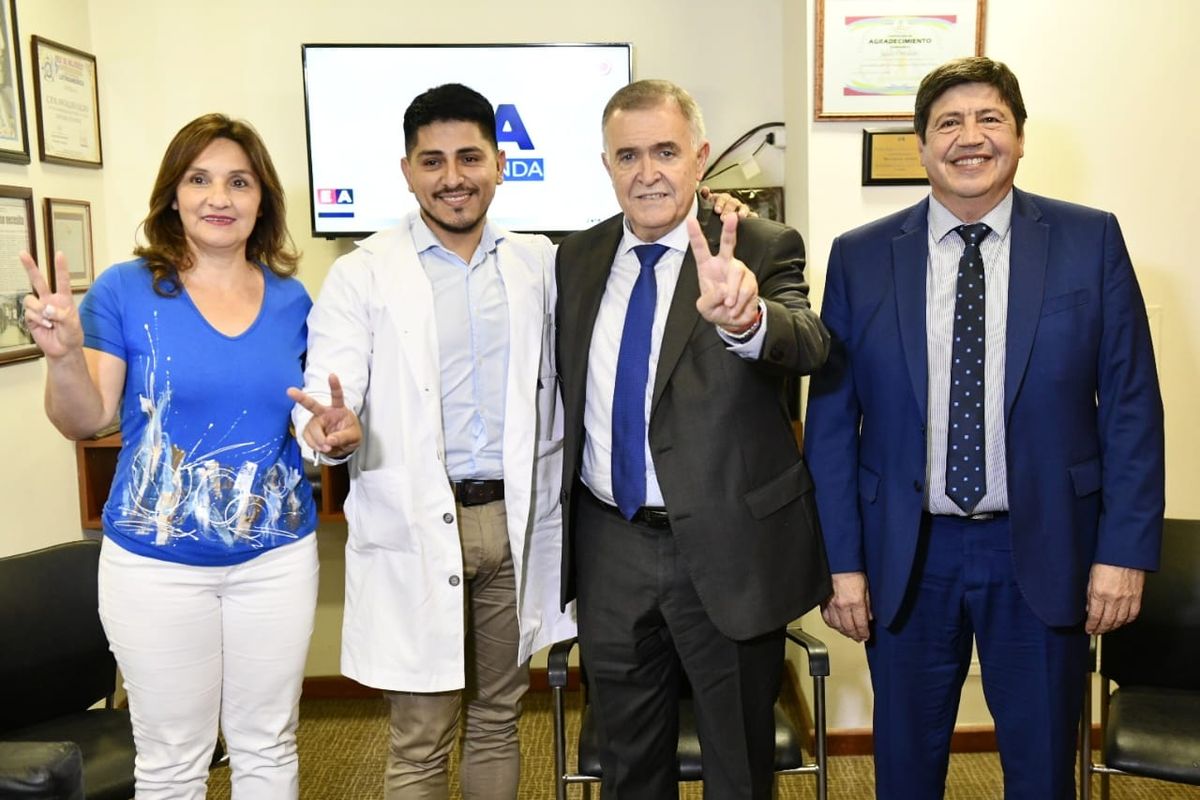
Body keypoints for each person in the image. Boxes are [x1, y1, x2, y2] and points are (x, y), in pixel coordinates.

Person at [803, 56, 1164, 799]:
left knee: (1041, 774)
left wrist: (1123, 552)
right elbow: (832, 425)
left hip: (1046, 547)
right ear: (922, 146)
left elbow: (1131, 406)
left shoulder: (1089, 240)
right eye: (948, 123)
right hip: (907, 554)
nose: (970, 138)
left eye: (989, 118)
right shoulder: (860, 257)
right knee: (905, 773)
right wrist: (841, 564)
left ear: (1020, 138)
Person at [287, 83, 572, 800]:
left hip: (513, 522)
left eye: (469, 157)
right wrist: (331, 432)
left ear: (500, 163)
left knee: (499, 718)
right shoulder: (361, 274)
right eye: (432, 161)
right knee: (420, 737)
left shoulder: (540, 264)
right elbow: (328, 394)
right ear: (407, 171)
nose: (453, 178)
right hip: (417, 522)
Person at [21, 114, 319, 799]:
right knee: (174, 759)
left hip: (275, 559)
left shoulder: (292, 299)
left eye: (239, 182)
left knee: (268, 743)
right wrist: (63, 358)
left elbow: (310, 418)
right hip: (156, 567)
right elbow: (84, 418)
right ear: (173, 195)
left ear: (262, 199)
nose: (219, 197)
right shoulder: (125, 290)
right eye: (199, 179)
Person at [554, 79, 832, 799]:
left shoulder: (759, 245)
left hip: (730, 547)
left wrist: (748, 321)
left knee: (738, 767)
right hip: (610, 543)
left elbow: (808, 340)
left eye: (666, 152)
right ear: (607, 165)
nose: (647, 172)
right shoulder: (575, 259)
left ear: (700, 157)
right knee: (628, 768)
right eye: (628, 156)